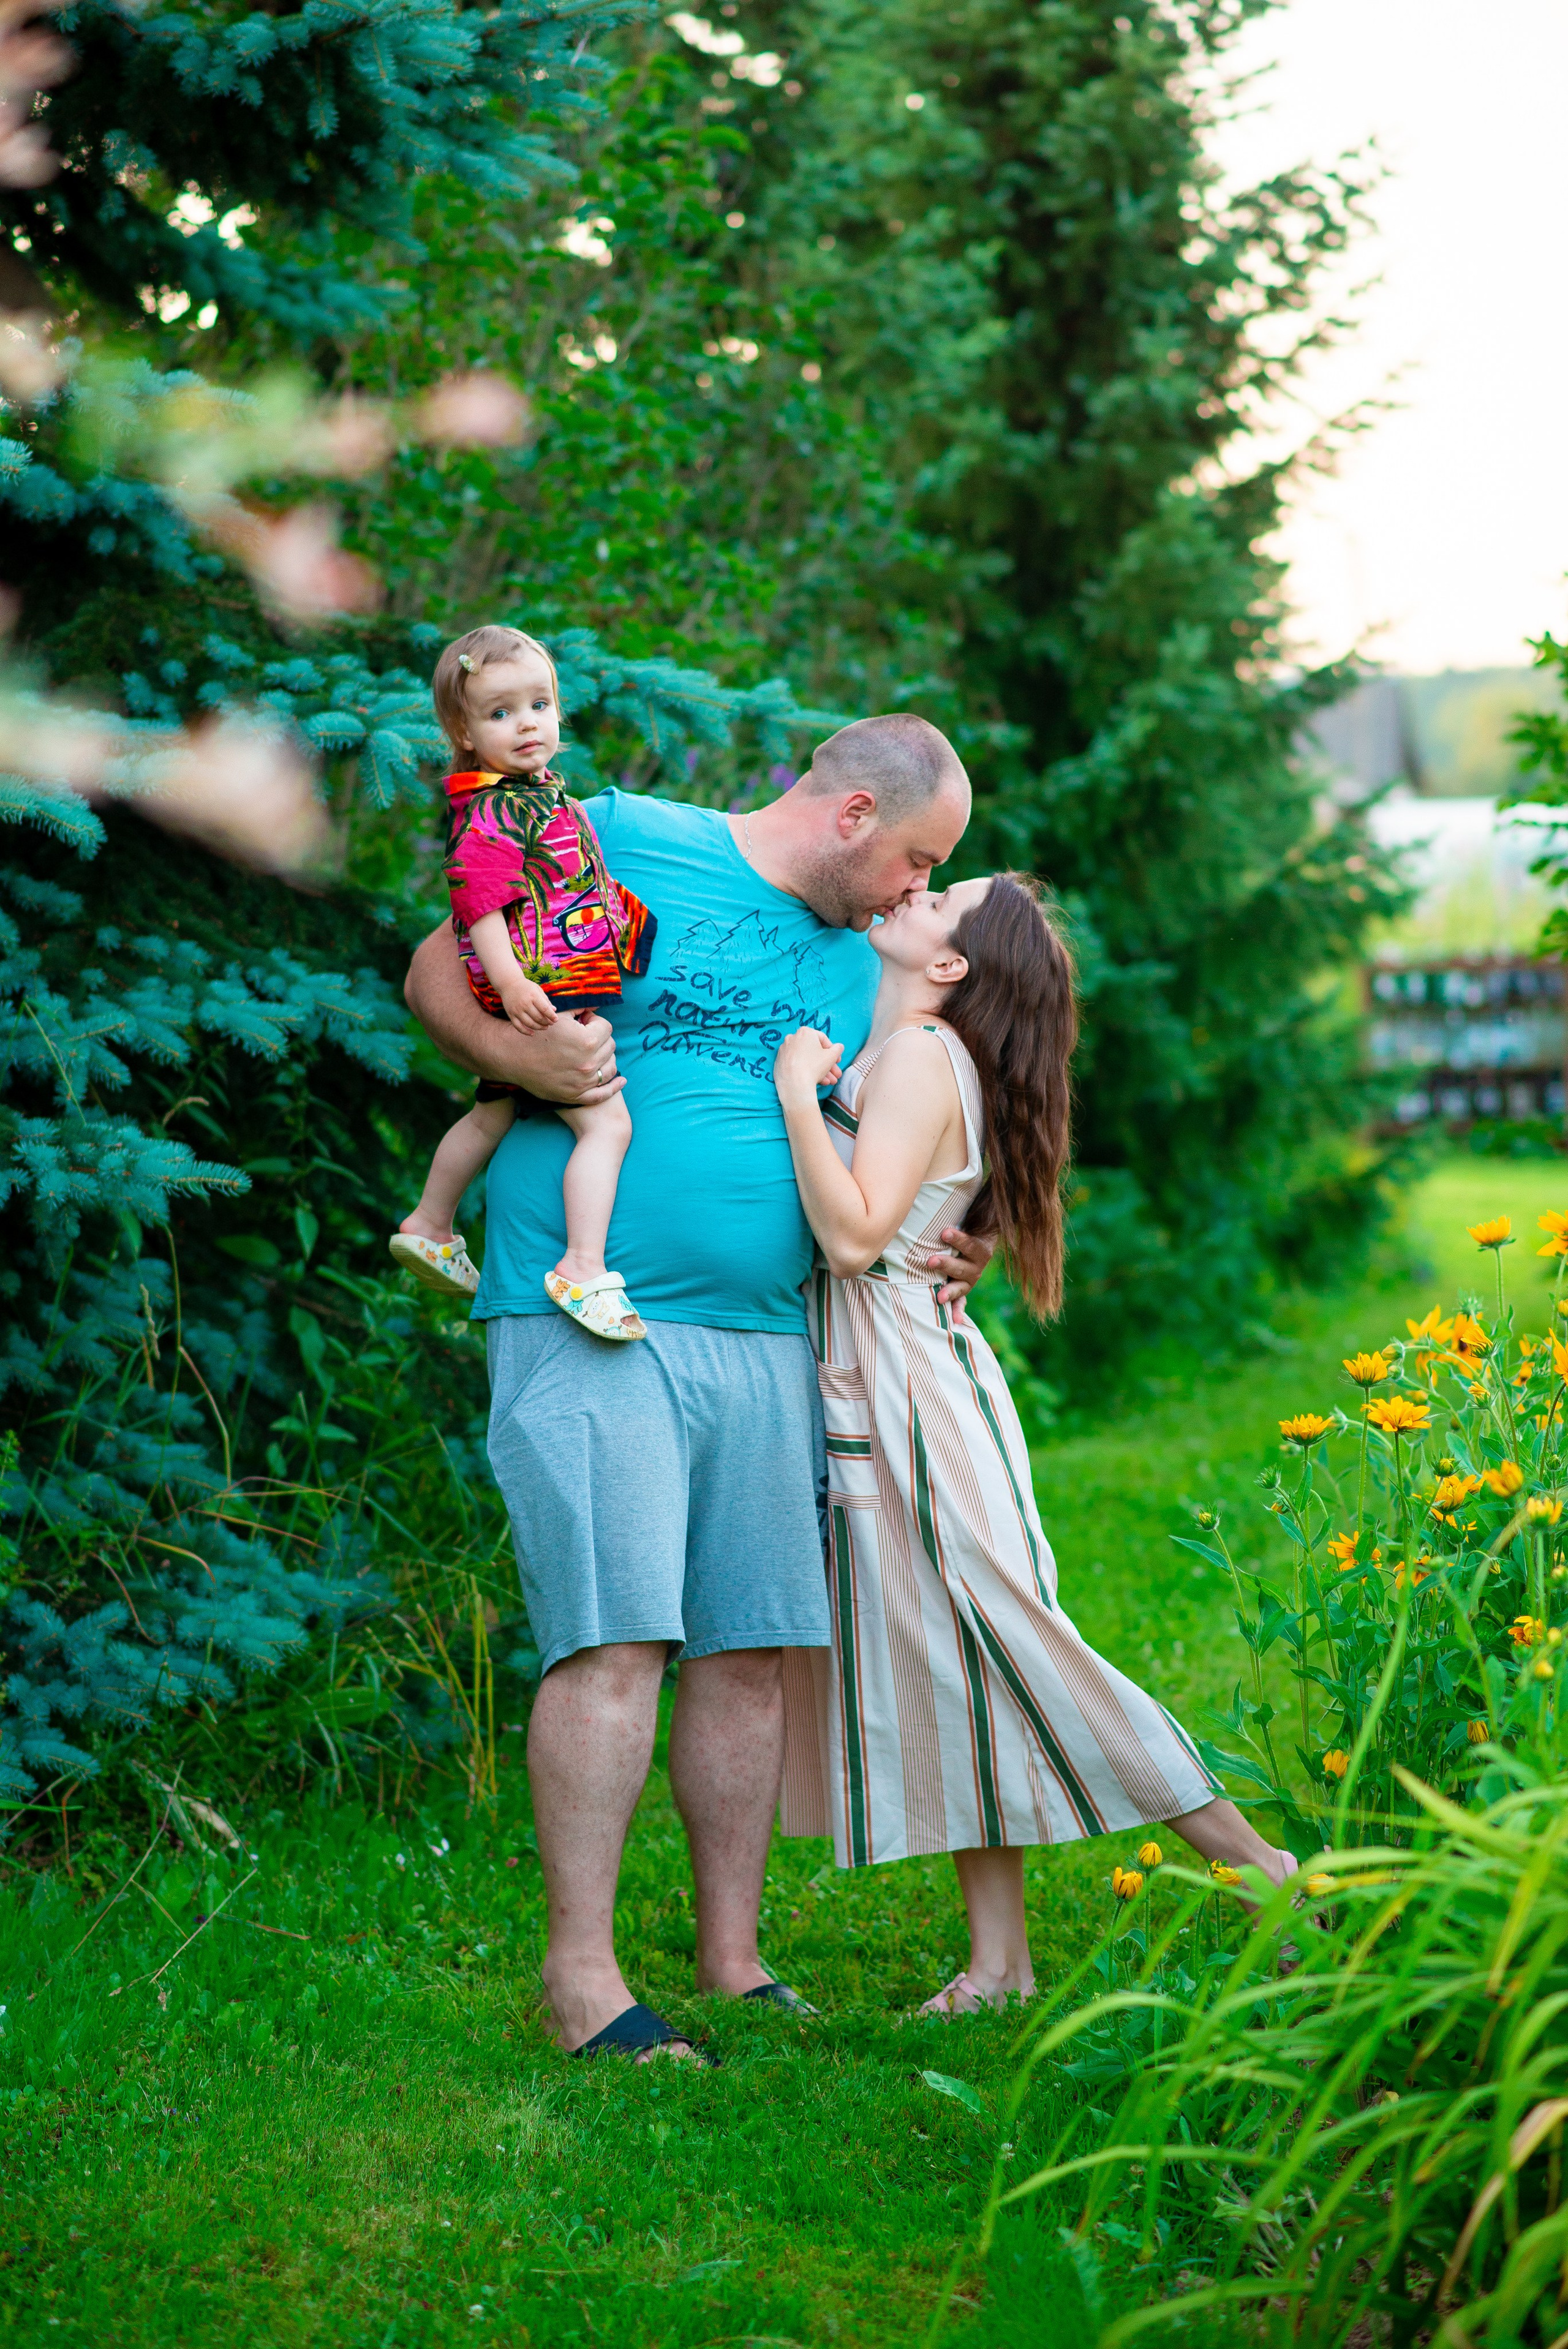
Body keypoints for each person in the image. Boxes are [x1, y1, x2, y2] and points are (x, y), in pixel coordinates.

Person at [403, 712, 991, 2061]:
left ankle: (732, 1959)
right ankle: (583, 1979)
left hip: (771, 1332)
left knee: (749, 1649)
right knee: (615, 1637)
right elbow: (437, 970)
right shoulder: (623, 836)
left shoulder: (866, 958)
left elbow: (918, 1110)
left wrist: (970, 1228)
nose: (919, 887)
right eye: (916, 858)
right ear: (853, 814)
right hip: (589, 1307)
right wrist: (521, 1059)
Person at [772, 872, 1296, 2014]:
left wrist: (796, 1094)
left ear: (951, 964)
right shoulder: (912, 1047)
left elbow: (854, 1239)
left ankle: (1266, 1873)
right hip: (898, 1381)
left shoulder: (920, 1057)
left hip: (912, 1396)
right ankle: (1000, 1965)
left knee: (1024, 1646)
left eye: (939, 897)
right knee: (962, 1663)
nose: (914, 890)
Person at [390, 626, 656, 1341]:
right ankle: (582, 1267)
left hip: (547, 977)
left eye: (540, 705)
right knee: (607, 1124)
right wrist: (510, 984)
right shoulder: (490, 812)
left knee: (494, 1113)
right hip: (542, 987)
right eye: (501, 713)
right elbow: (479, 906)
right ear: (465, 732)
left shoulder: (533, 796)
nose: (527, 724)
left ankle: (429, 1223)